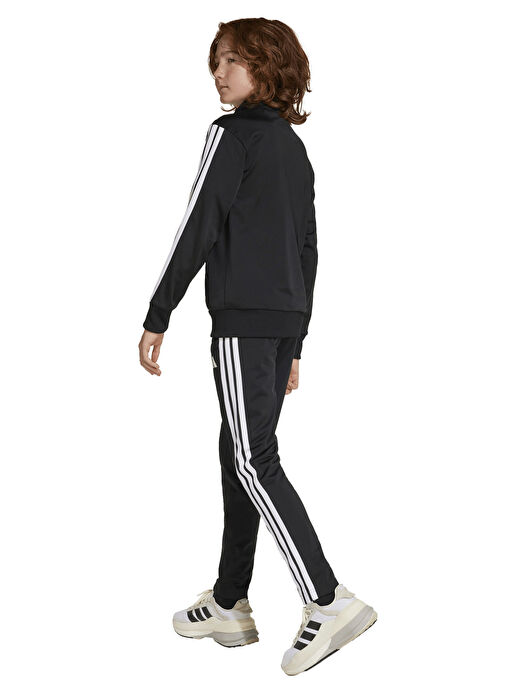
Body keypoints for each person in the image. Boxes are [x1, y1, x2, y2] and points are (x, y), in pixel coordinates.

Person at [138, 18, 377, 676]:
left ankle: (327, 599)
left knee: (252, 459)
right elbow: (308, 249)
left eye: (234, 61)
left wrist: (159, 312)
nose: (220, 73)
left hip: (244, 322)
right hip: (279, 322)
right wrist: (295, 341)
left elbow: (199, 224)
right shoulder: (294, 150)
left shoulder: (231, 135)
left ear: (267, 67)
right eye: (216, 61)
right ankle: (230, 601)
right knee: (237, 451)